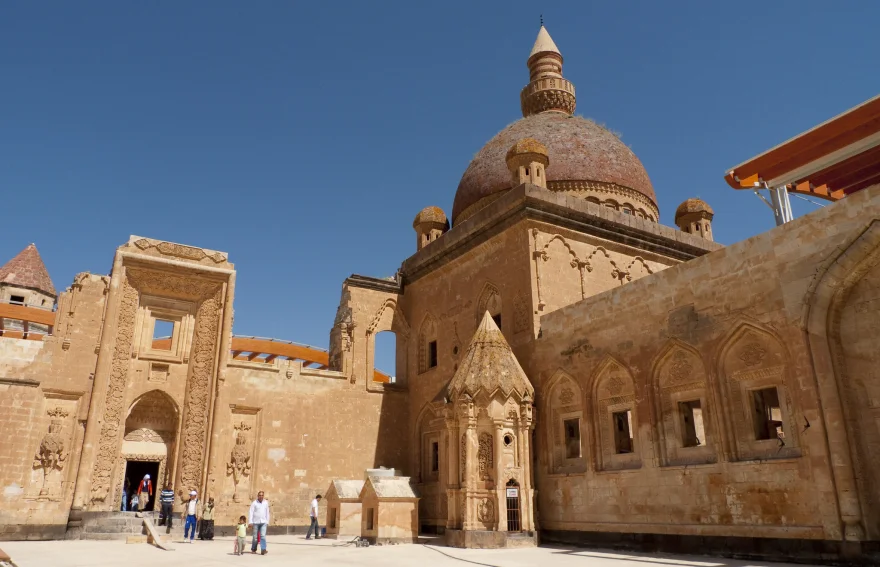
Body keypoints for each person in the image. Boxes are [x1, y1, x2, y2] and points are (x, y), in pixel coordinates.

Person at [248, 491, 270, 555]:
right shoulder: (254, 503)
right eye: (260, 495)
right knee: (255, 537)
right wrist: (250, 522)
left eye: (262, 495)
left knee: (263, 536)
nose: (261, 496)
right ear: (258, 496)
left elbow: (267, 512)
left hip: (263, 522)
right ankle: (253, 549)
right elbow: (251, 512)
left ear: (263, 496)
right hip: (256, 522)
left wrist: (267, 521)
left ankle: (263, 549)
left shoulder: (265, 503)